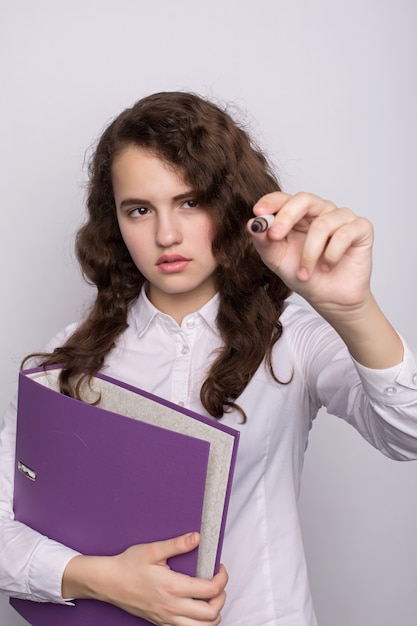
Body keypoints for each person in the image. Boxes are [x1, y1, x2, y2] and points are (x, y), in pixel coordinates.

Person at [1, 91, 417, 626]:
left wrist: (354, 308)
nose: (166, 235)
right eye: (140, 210)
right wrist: (95, 577)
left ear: (230, 204)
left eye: (190, 201)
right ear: (115, 222)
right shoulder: (68, 364)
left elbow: (409, 433)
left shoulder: (293, 338)